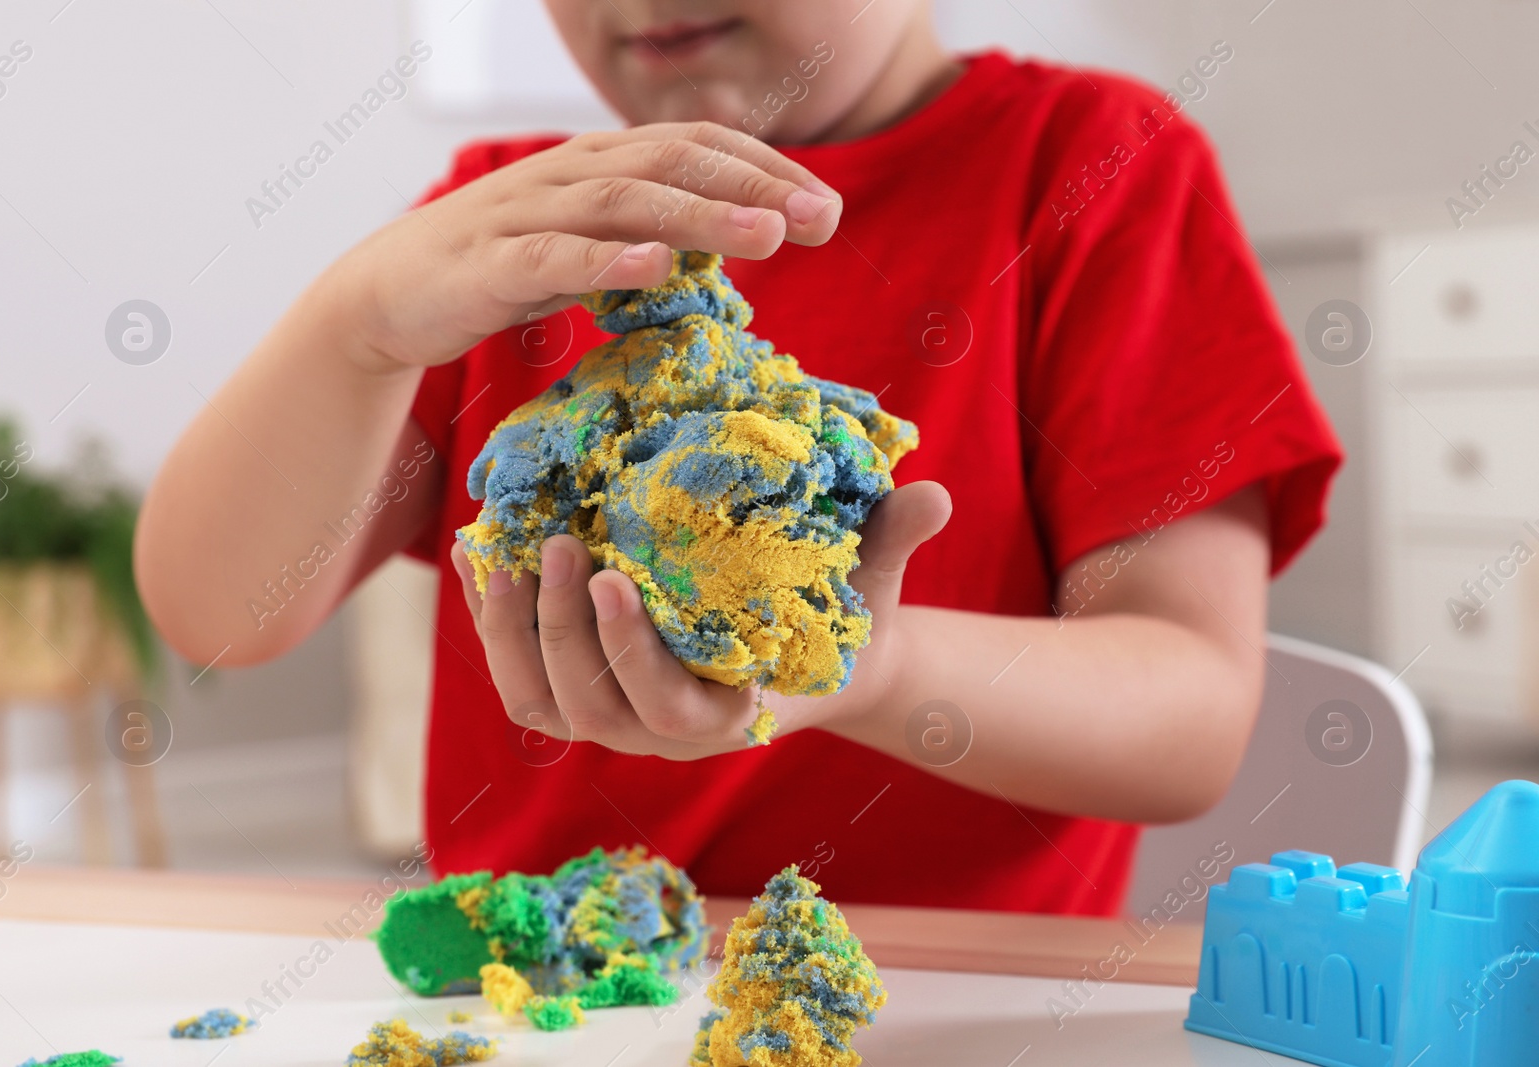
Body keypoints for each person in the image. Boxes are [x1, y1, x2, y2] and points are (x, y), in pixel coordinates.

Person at [136, 1, 1341, 914]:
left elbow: (1188, 716)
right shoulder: (512, 226)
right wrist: (352, 330)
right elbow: (221, 613)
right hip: (541, 987)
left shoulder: (1094, 166)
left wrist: (867, 668)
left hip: (929, 999)